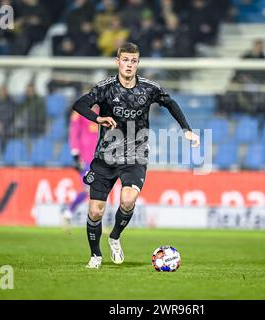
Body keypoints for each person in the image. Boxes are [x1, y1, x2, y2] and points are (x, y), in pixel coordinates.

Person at [71, 42, 200, 269]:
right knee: (95, 210)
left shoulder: (148, 88)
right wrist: (97, 118)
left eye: (133, 61)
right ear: (117, 62)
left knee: (128, 199)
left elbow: (170, 103)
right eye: (125, 60)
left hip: (135, 156)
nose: (129, 65)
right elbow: (79, 104)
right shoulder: (106, 88)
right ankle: (95, 255)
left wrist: (186, 129)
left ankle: (115, 237)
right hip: (105, 157)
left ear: (137, 63)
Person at [61, 103, 99, 231]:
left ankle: (69, 214)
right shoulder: (79, 113)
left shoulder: (102, 112)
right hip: (85, 158)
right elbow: (74, 133)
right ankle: (68, 213)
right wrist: (75, 155)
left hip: (99, 158)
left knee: (96, 190)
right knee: (88, 189)